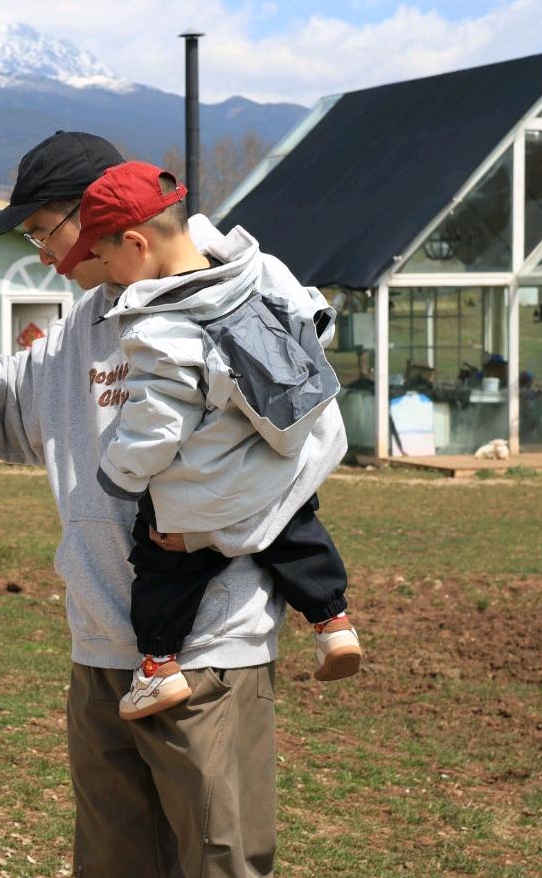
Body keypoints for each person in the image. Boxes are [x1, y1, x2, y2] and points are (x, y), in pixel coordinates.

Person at [0, 131, 347, 878]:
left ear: (106, 215)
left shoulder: (241, 292)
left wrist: (212, 527)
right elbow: (10, 399)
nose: (45, 256)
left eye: (46, 231)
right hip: (104, 653)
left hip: (209, 653)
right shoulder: (85, 326)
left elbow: (311, 439)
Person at [55, 161, 360, 722]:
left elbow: (156, 428)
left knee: (161, 561)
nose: (105, 274)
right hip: (283, 463)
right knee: (295, 528)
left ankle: (158, 667)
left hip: (204, 498)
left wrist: (118, 473)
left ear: (135, 244)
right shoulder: (256, 271)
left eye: (102, 256)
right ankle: (333, 621)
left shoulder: (158, 328)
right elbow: (317, 321)